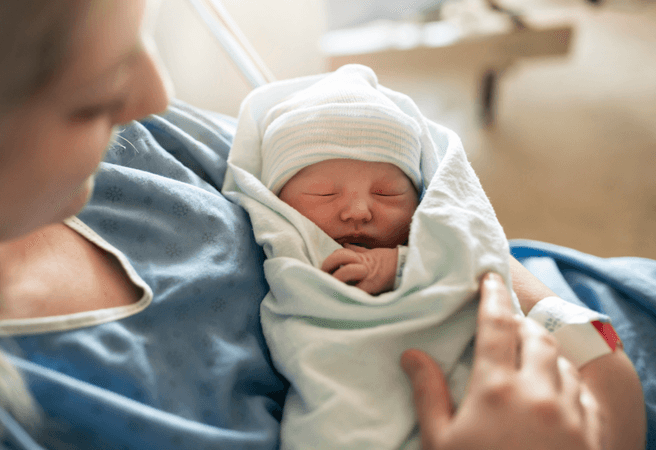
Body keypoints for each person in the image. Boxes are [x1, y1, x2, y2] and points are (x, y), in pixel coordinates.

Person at [0, 1, 645, 450]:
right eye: (93, 95)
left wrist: (590, 351)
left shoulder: (135, 151)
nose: (156, 96)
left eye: (144, 39)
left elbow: (448, 200)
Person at [223, 63, 640, 449]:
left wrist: (397, 264)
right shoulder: (280, 244)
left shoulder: (430, 243)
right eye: (324, 194)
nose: (358, 211)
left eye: (387, 193)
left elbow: (458, 262)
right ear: (273, 202)